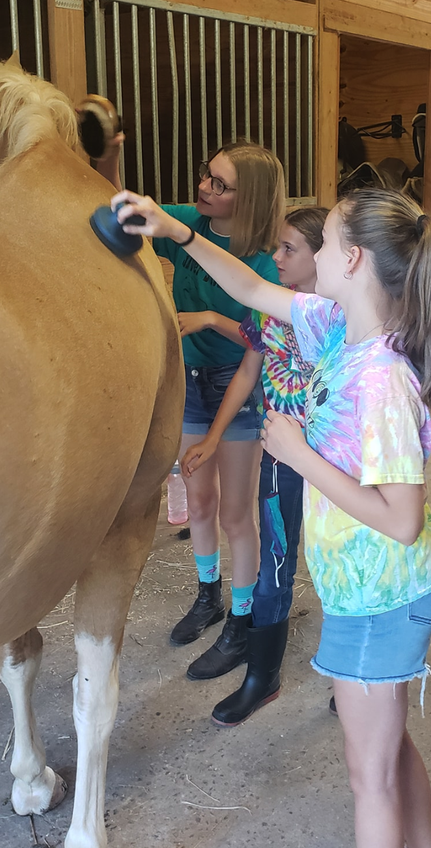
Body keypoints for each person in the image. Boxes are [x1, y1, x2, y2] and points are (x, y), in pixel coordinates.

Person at [111, 186, 431, 848]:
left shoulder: (380, 380)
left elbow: (401, 519)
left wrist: (298, 455)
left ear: (353, 260)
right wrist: (175, 232)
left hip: (380, 596)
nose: (307, 254)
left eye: (323, 242)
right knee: (387, 753)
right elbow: (246, 288)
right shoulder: (337, 328)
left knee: (370, 781)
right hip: (368, 591)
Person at [98, 139, 285, 680]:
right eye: (207, 174)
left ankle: (243, 620)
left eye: (219, 184)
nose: (204, 186)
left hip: (239, 388)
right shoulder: (189, 221)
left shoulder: (265, 260)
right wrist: (110, 160)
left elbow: (260, 343)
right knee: (198, 503)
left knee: (235, 515)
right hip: (189, 380)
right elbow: (123, 205)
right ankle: (209, 597)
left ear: (247, 199)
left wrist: (207, 317)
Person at [181, 206, 327, 726]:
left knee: (343, 560)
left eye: (290, 249)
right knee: (277, 560)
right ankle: (261, 676)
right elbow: (249, 372)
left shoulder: (341, 314)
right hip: (281, 456)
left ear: (323, 256)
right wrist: (214, 436)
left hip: (337, 459)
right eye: (277, 246)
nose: (277, 257)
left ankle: (354, 671)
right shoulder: (270, 310)